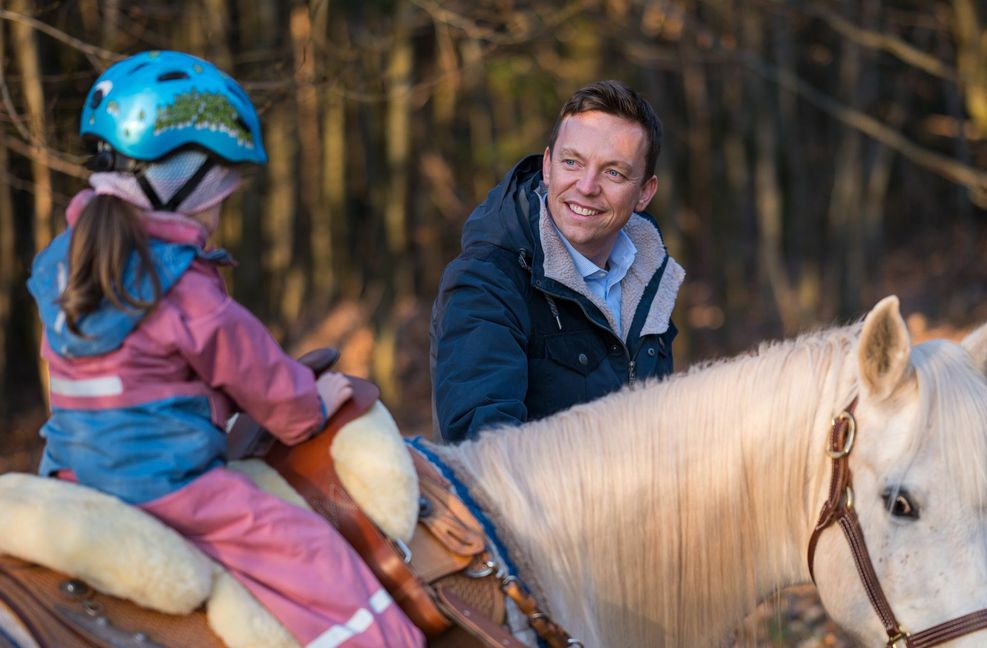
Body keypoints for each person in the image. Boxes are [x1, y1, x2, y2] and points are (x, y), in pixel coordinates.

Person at [28, 51, 423, 648]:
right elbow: (273, 394)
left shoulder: (65, 261)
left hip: (69, 467)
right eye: (219, 192)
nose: (220, 209)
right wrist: (314, 401)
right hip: (165, 484)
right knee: (315, 554)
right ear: (180, 182)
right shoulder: (182, 285)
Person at [430, 80, 685, 443]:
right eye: (572, 162)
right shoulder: (486, 282)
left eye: (613, 172)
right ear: (548, 166)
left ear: (645, 192)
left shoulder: (649, 283)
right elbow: (487, 453)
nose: (587, 186)